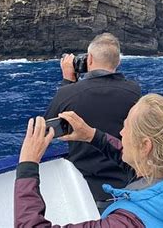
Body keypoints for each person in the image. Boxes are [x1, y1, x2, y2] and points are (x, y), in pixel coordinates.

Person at [15, 94, 163, 227]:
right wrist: (92, 136)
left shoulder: (128, 222)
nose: (121, 132)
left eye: (127, 126)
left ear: (145, 146)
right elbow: (141, 169)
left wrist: (28, 165)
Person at [44, 33, 141, 212]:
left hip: (88, 187)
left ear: (89, 59)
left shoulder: (67, 94)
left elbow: (48, 130)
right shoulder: (134, 91)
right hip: (128, 181)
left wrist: (68, 81)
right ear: (118, 61)